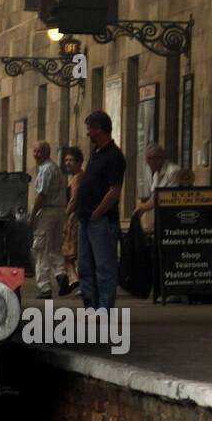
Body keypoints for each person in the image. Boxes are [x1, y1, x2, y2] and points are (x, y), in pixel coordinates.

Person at [76, 111, 126, 310]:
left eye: (90, 129)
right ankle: (90, 307)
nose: (88, 133)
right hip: (86, 218)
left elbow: (115, 190)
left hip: (101, 220)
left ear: (99, 129)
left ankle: (104, 309)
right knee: (85, 267)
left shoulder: (114, 156)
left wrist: (98, 212)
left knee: (104, 267)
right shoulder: (95, 154)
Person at [29, 140, 71, 299]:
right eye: (35, 151)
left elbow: (41, 194)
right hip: (60, 210)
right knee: (54, 247)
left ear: (47, 152)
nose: (36, 154)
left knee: (40, 249)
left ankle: (44, 287)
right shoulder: (56, 169)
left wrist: (33, 215)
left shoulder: (45, 170)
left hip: (47, 211)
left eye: (39, 151)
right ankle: (61, 275)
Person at [131, 143, 183, 224]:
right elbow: (154, 195)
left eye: (151, 159)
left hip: (175, 218)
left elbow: (167, 197)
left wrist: (144, 207)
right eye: (147, 159)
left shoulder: (173, 171)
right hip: (162, 217)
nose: (148, 163)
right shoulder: (156, 173)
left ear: (160, 158)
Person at [61, 146, 85, 295]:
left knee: (69, 252)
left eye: (71, 160)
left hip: (74, 217)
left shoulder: (77, 178)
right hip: (76, 216)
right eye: (66, 160)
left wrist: (65, 215)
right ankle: (74, 279)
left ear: (79, 162)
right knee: (71, 252)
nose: (68, 163)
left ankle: (75, 279)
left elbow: (74, 199)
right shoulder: (77, 176)